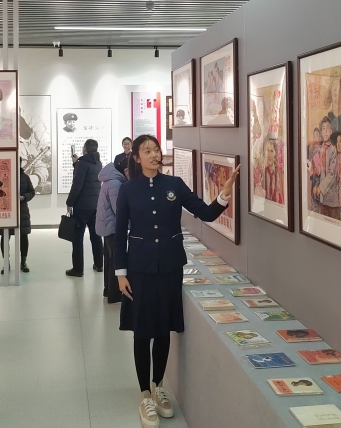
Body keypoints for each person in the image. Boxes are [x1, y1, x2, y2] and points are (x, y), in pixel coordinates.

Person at [115, 135, 238, 428]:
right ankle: (145, 395)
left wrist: (224, 194)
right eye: (147, 151)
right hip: (139, 269)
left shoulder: (174, 185)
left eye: (156, 149)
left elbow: (205, 213)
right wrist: (120, 274)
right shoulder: (128, 189)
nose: (154, 154)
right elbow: (119, 233)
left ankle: (158, 386)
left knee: (163, 328)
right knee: (142, 331)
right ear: (137, 158)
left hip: (170, 266)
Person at [65, 139, 103, 277]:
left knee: (77, 237)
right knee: (96, 235)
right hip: (95, 205)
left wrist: (69, 202)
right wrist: (76, 164)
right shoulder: (98, 163)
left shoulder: (83, 163)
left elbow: (77, 185)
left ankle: (78, 269)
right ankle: (99, 264)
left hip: (81, 206)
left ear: (85, 149)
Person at [96, 156, 127, 304]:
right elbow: (118, 209)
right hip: (112, 226)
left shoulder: (110, 179)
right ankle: (114, 294)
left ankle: (108, 290)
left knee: (109, 259)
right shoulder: (116, 183)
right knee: (115, 260)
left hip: (106, 224)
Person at [0, 163, 35, 274]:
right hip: (6, 210)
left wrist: (24, 197)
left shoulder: (25, 177)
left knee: (23, 236)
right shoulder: (2, 175)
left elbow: (32, 192)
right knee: (5, 237)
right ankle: (6, 262)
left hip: (22, 211)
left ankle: (23, 262)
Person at [315, 117, 340, 220]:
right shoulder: (320, 150)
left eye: (328, 128)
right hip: (322, 198)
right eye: (323, 128)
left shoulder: (333, 150)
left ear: (331, 131)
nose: (325, 131)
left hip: (332, 197)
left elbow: (332, 174)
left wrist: (321, 187)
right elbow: (318, 171)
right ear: (321, 131)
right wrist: (316, 184)